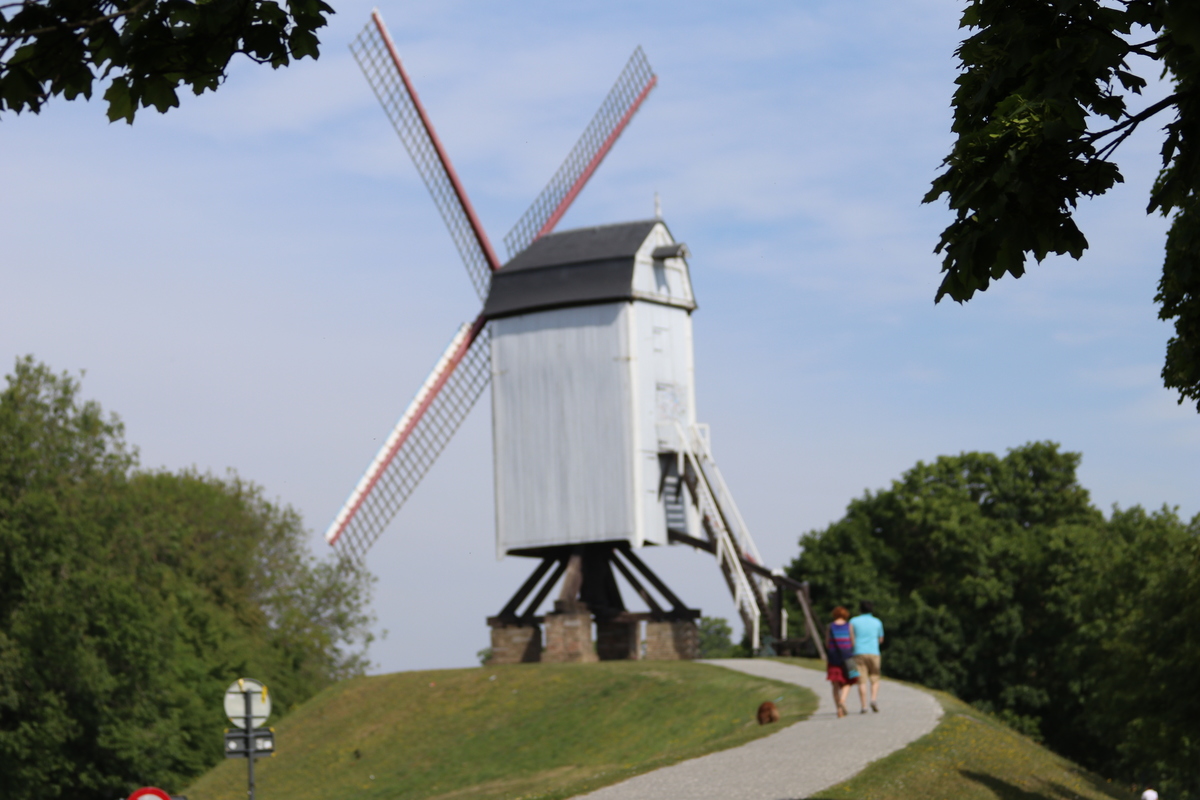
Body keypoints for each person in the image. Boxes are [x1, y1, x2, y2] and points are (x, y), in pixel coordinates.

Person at [850, 600, 885, 713]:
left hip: (858, 652)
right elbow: (881, 639)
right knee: (875, 677)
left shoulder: (853, 621)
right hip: (874, 652)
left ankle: (864, 706)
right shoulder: (877, 622)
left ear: (860, 609)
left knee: (861, 680)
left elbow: (850, 637)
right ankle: (873, 699)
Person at [825, 606, 859, 718]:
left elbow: (827, 643)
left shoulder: (830, 626)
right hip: (847, 657)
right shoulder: (849, 626)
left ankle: (839, 710)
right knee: (849, 681)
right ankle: (843, 700)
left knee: (835, 684)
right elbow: (853, 642)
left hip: (833, 658)